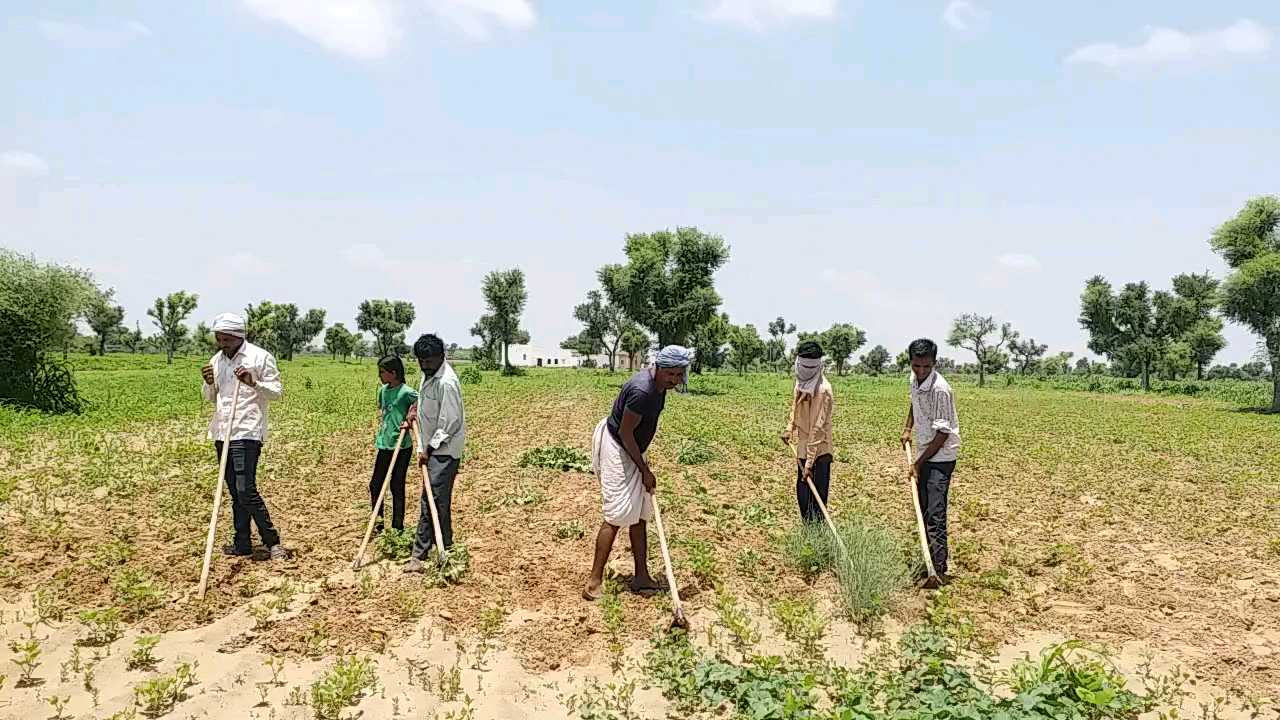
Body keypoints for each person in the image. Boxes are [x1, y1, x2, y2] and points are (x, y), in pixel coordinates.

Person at [583, 345, 691, 601]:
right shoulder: (642, 391)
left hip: (632, 448)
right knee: (617, 513)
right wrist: (644, 469)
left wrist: (643, 463)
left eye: (679, 375)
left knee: (641, 512)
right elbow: (625, 432)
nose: (675, 380)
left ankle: (641, 576)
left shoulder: (659, 386)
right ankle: (593, 582)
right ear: (660, 368)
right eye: (671, 374)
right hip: (618, 447)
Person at [200, 312, 289, 561]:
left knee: (245, 489)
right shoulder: (216, 361)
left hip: (247, 430)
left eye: (226, 339)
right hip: (222, 430)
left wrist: (253, 383)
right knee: (233, 491)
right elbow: (211, 397)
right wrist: (208, 383)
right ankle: (242, 543)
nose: (222, 344)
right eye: (219, 338)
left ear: (238, 336)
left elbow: (277, 392)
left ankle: (272, 542)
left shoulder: (259, 357)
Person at [900, 338, 961, 588]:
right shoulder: (914, 381)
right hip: (925, 452)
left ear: (934, 363)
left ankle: (937, 569)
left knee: (935, 513)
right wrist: (907, 428)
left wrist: (917, 463)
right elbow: (915, 404)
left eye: (926, 367)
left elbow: (943, 434)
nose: (921, 372)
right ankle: (927, 561)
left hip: (941, 456)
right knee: (924, 509)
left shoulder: (940, 390)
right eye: (916, 366)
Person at [404, 334, 466, 573]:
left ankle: (418, 555)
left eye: (429, 362)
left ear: (442, 357)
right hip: (429, 446)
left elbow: (450, 423)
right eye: (421, 362)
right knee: (437, 500)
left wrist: (428, 450)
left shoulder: (446, 383)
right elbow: (424, 398)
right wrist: (414, 409)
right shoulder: (428, 374)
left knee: (430, 500)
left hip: (444, 450)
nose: (425, 366)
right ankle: (445, 544)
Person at [781, 340, 834, 523]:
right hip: (803, 450)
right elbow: (795, 407)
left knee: (817, 506)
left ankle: (818, 539)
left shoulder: (823, 390)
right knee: (803, 499)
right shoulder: (801, 382)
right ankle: (808, 535)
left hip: (819, 453)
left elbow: (817, 430)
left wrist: (810, 464)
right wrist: (790, 428)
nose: (804, 370)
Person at [370, 355, 418, 535]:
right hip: (384, 443)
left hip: (401, 445)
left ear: (394, 373)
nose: (380, 375)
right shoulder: (383, 390)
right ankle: (378, 524)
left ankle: (398, 527)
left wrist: (411, 414)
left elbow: (420, 401)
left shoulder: (406, 391)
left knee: (396, 486)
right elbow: (382, 410)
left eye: (382, 372)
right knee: (375, 485)